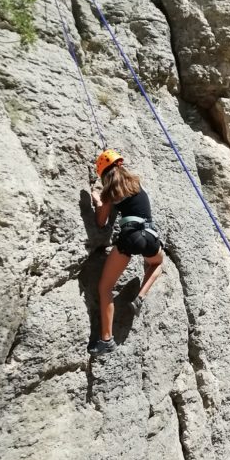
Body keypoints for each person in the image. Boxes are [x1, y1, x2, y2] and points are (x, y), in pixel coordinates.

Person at [88, 149, 164, 357]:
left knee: (105, 287)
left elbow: (101, 222)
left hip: (131, 237)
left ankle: (106, 340)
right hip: (150, 236)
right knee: (158, 263)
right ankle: (140, 296)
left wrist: (98, 200)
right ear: (120, 165)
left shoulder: (110, 191)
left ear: (103, 175)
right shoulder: (136, 184)